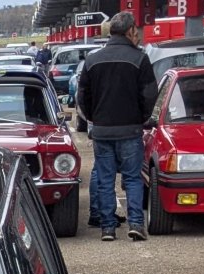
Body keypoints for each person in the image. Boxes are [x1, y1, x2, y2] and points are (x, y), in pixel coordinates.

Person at [76, 11, 156, 241]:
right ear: (130, 30)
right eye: (136, 31)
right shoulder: (140, 59)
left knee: (104, 178)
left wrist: (95, 118)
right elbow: (149, 95)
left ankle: (108, 228)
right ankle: (136, 224)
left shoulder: (92, 60)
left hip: (102, 130)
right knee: (132, 178)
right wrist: (140, 117)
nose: (138, 35)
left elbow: (83, 97)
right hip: (130, 129)